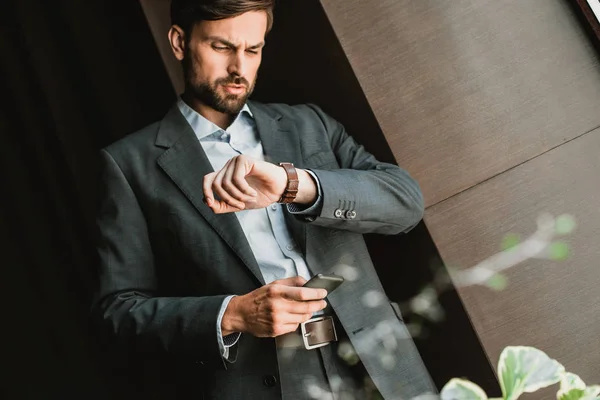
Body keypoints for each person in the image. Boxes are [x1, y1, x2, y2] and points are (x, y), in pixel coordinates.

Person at [93, 0, 437, 399]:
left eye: (252, 50)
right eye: (222, 47)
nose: (240, 68)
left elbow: (406, 203)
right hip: (260, 383)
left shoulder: (309, 123)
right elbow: (117, 312)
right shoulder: (128, 164)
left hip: (382, 368)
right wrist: (233, 314)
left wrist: (295, 185)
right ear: (179, 42)